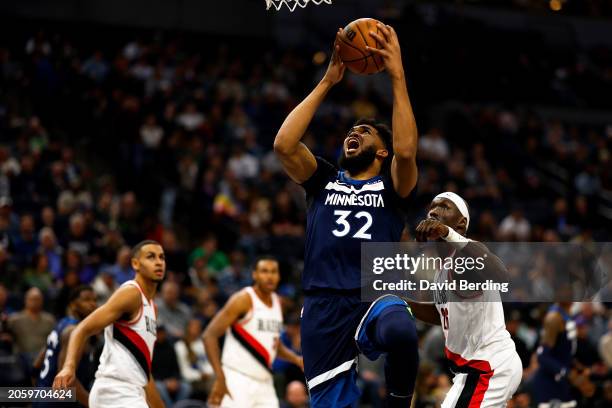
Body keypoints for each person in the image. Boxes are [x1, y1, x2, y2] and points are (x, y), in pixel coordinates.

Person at [273, 23, 419, 407]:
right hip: (324, 303)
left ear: (381, 151)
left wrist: (397, 75)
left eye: (366, 131)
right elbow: (284, 145)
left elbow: (406, 152)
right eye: (352, 130)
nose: (354, 133)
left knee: (402, 332)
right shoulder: (322, 180)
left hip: (374, 294)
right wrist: (327, 82)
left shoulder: (393, 187)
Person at [408, 192, 522, 407]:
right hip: (476, 369)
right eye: (432, 207)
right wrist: (399, 302)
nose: (434, 211)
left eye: (444, 207)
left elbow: (501, 275)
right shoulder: (443, 269)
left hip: (488, 366)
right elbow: (440, 314)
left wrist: (447, 233)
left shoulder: (463, 257)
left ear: (460, 223)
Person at [53, 241, 166, 408]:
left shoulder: (152, 308)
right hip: (115, 390)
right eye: (151, 257)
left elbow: (143, 372)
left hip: (132, 393)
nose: (158, 262)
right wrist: (68, 367)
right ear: (135, 263)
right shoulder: (131, 293)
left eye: (162, 257)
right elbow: (82, 329)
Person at [203, 256, 303, 407]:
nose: (269, 276)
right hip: (237, 378)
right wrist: (220, 377)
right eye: (264, 271)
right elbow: (209, 335)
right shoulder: (243, 299)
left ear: (279, 276)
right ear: (254, 274)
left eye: (273, 272)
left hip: (265, 381)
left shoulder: (278, 302)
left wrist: (296, 359)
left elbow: (274, 344)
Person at [33, 285, 97, 407]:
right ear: (72, 305)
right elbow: (65, 382)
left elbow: (36, 364)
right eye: (87, 300)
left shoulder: (61, 323)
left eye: (94, 300)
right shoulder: (74, 331)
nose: (93, 304)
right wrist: (93, 405)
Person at [530, 301, 578, 407]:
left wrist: (577, 368)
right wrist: (565, 372)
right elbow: (542, 356)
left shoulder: (569, 315)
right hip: (549, 385)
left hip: (562, 383)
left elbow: (565, 352)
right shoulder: (554, 318)